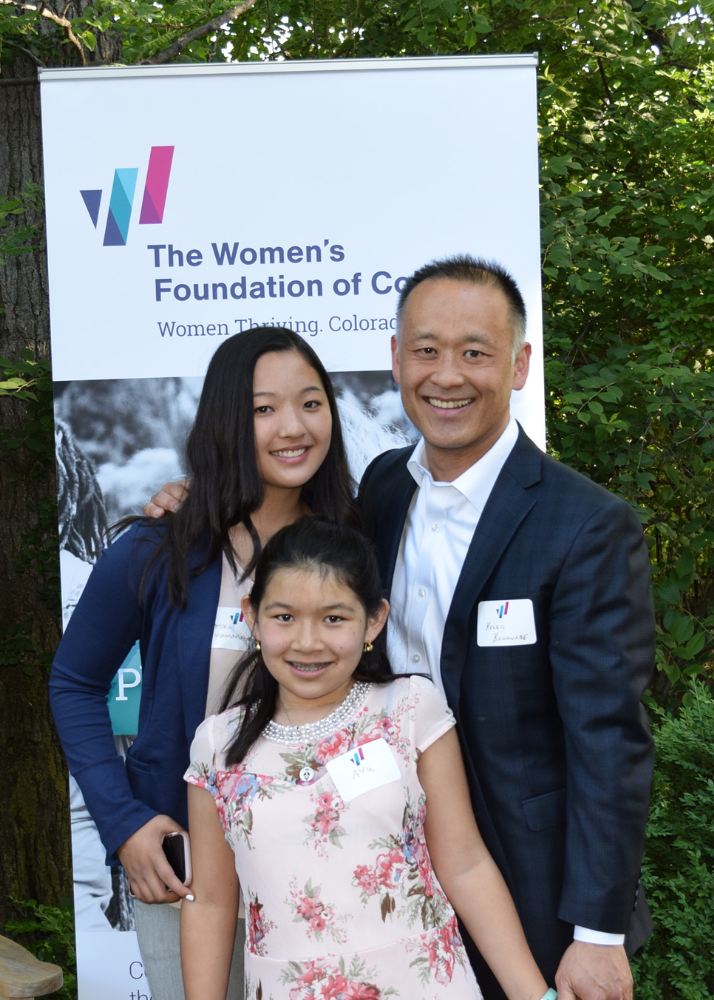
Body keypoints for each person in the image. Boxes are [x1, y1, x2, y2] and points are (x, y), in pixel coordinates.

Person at [147, 255, 655, 1000]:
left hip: (525, 879)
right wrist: (196, 503)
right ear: (394, 358)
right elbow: (301, 561)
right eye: (426, 350)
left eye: (475, 353)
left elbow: (610, 740)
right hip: (374, 850)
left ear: (518, 366)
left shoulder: (585, 527)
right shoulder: (382, 488)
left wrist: (598, 934)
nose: (447, 375)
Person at [50, 326, 355, 1000]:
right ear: (225, 421)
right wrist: (123, 823)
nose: (292, 427)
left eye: (311, 403)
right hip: (188, 869)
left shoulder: (359, 543)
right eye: (263, 409)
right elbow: (74, 683)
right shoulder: (157, 550)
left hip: (334, 866)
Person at [181, 516, 553, 1000]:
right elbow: (209, 902)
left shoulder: (409, 709)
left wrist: (535, 996)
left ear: (373, 620)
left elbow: (464, 864)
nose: (307, 642)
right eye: (284, 617)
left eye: (334, 618)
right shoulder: (218, 746)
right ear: (252, 615)